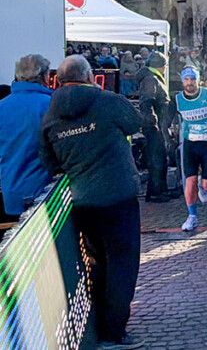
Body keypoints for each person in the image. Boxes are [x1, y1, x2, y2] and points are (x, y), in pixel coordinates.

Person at [40, 56, 144, 350]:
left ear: (58, 80)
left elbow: (48, 160)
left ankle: (99, 326)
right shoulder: (108, 101)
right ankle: (114, 333)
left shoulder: (50, 115)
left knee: (96, 264)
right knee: (122, 264)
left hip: (82, 200)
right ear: (89, 76)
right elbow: (135, 122)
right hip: (118, 196)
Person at [172, 67, 207, 231]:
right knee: (190, 182)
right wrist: (167, 133)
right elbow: (167, 117)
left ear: (198, 80)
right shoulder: (178, 99)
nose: (190, 83)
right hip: (190, 145)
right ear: (182, 81)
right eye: (187, 79)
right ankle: (192, 216)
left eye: (193, 79)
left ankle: (204, 186)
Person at [0, 54, 53, 217]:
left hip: (11, 195)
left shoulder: (2, 106)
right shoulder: (52, 105)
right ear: (45, 77)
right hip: (46, 195)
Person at [137, 52, 173, 202]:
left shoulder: (152, 77)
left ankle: (162, 189)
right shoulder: (151, 79)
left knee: (161, 158)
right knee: (156, 158)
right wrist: (153, 122)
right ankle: (155, 192)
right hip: (154, 126)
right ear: (162, 66)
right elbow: (147, 101)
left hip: (158, 124)